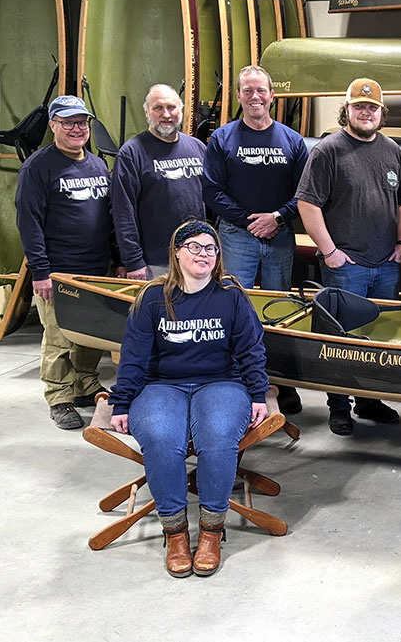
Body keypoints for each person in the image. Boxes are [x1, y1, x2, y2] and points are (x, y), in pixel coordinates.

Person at [108, 220, 270, 578]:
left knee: (217, 440)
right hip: (161, 385)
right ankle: (176, 533)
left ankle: (212, 531)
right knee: (162, 441)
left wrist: (257, 393)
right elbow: (133, 354)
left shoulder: (231, 295)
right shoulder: (153, 297)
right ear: (177, 252)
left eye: (210, 248)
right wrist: (121, 402)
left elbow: (251, 350)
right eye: (194, 247)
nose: (203, 254)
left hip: (221, 383)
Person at [295, 77, 401, 436]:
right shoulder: (327, 150)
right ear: (347, 110)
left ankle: (368, 399)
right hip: (346, 268)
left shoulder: (391, 149)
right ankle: (339, 406)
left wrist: (400, 243)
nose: (366, 112)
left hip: (385, 266)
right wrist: (329, 252)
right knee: (340, 338)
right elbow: (307, 203)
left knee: (376, 337)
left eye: (373, 107)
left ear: (381, 113)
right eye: (359, 106)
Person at [202, 65, 307, 414]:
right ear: (239, 96)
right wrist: (250, 222)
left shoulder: (293, 141)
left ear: (272, 95)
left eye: (261, 90)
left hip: (280, 234)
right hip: (236, 235)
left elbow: (304, 194)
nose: (255, 97)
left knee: (280, 310)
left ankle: (281, 383)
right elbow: (212, 191)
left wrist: (277, 217)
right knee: (235, 309)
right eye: (247, 91)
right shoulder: (222, 139)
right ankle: (236, 380)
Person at [15, 95, 112, 430]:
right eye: (69, 122)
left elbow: (109, 217)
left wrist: (115, 261)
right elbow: (28, 223)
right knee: (59, 336)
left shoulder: (98, 165)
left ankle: (85, 383)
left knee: (91, 333)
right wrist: (40, 272)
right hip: (58, 270)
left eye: (82, 122)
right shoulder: (38, 167)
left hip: (97, 268)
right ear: (53, 125)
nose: (77, 128)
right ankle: (59, 398)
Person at [110, 84, 206, 281]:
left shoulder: (197, 148)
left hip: (196, 257)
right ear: (147, 112)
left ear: (181, 110)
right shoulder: (131, 153)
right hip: (154, 264)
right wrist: (133, 261)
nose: (166, 114)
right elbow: (122, 212)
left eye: (171, 107)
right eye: (158, 108)